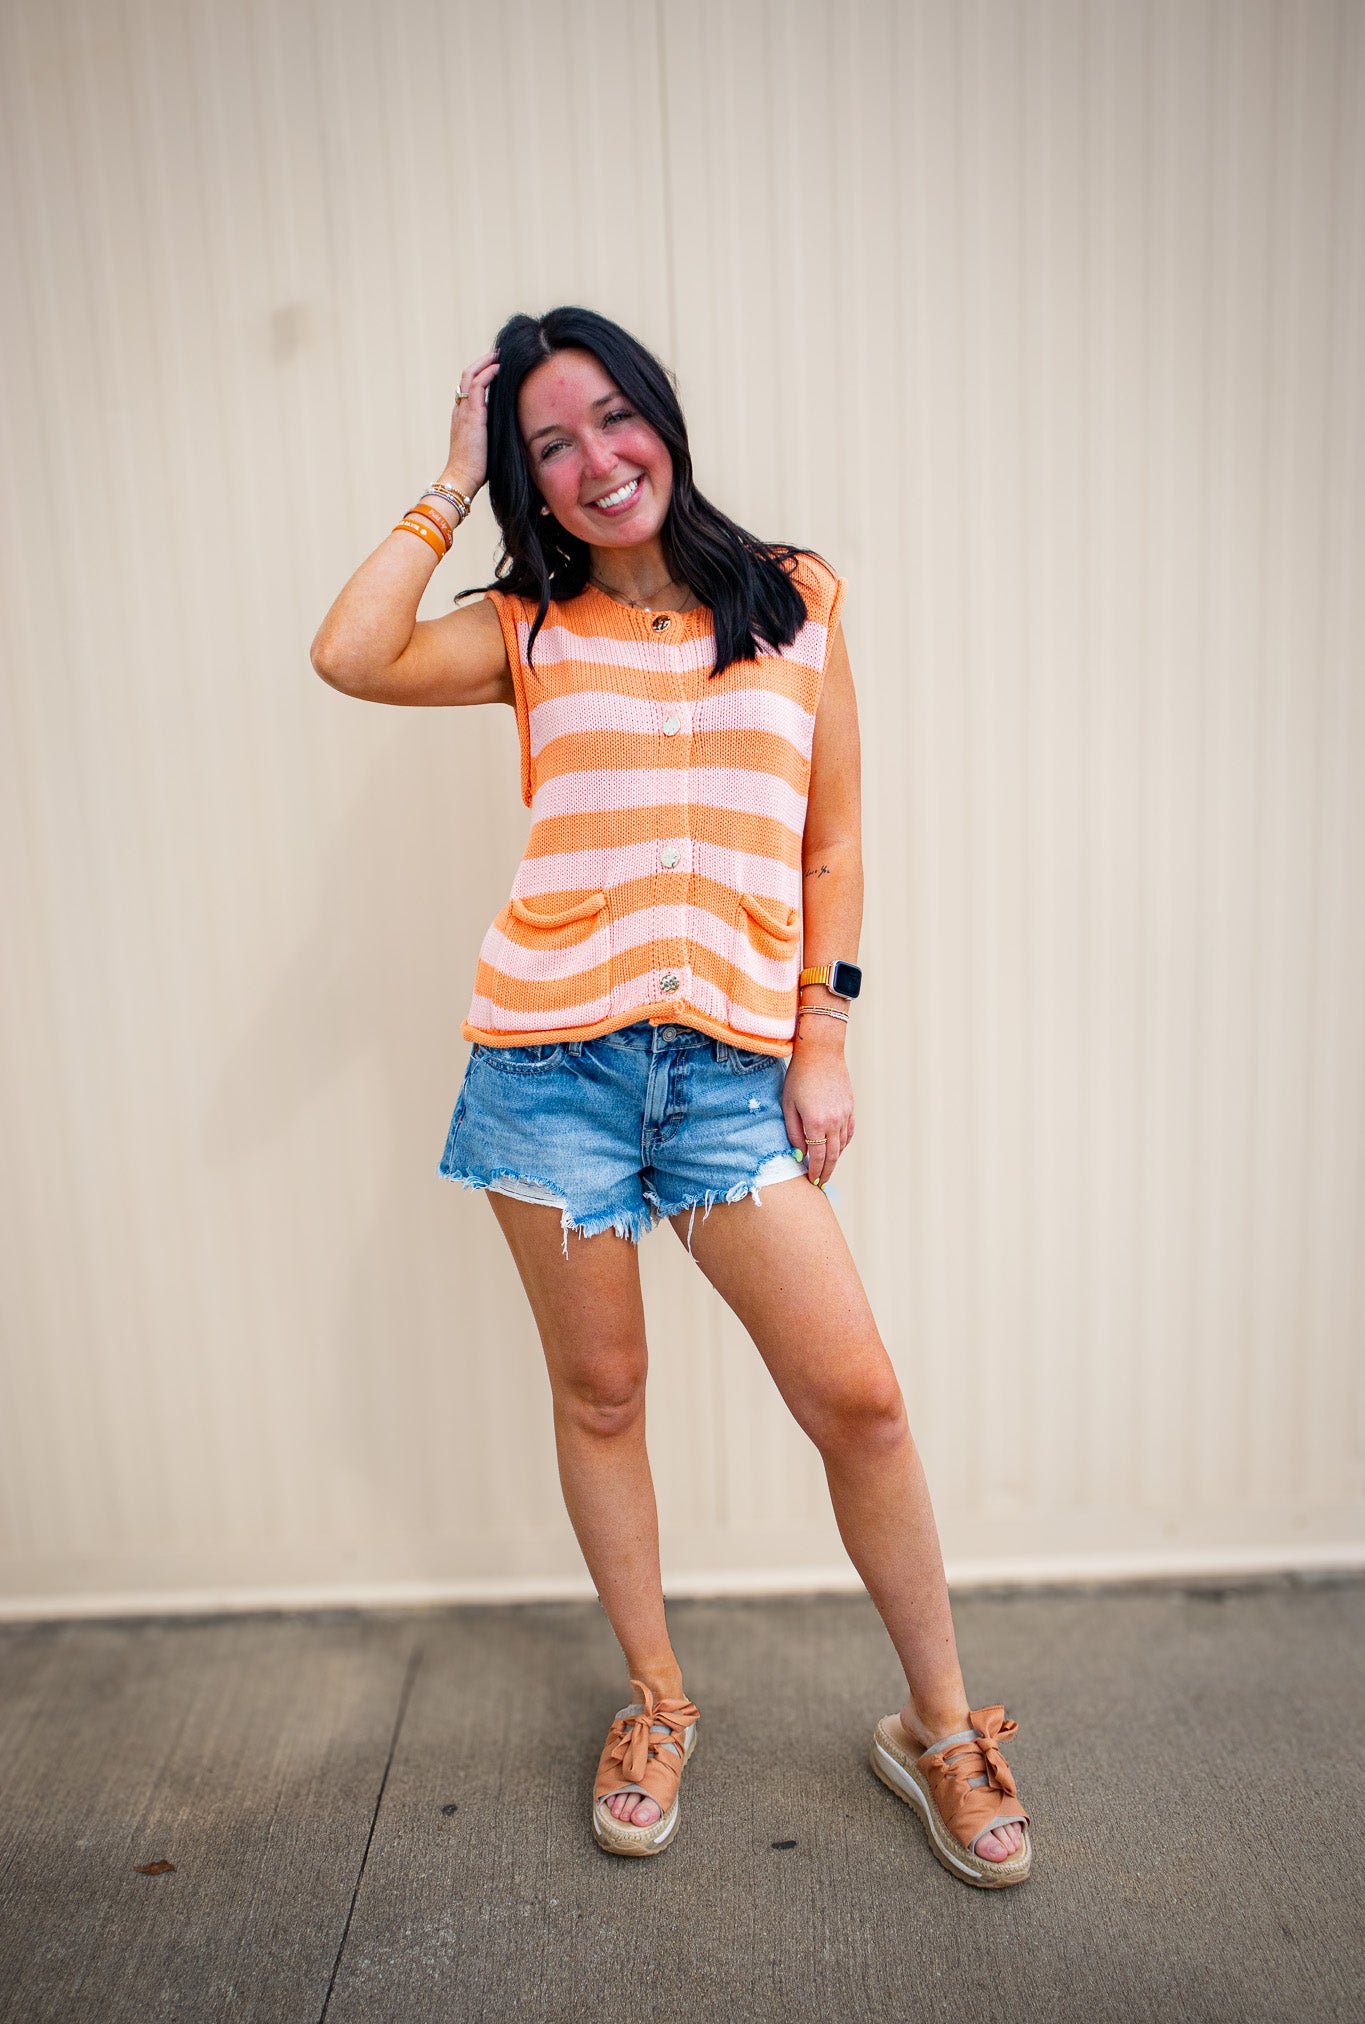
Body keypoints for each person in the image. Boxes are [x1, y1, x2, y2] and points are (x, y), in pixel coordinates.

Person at [310, 307, 1031, 1888]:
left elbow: (831, 842)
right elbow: (351, 654)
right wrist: (448, 480)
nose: (593, 461)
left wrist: (819, 1040)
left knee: (859, 1402)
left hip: (727, 1077)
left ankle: (938, 1726)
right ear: (530, 480)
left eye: (611, 418)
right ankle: (655, 1702)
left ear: (661, 417)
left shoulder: (792, 597)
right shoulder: (524, 625)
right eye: (547, 446)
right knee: (603, 1398)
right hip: (544, 1069)